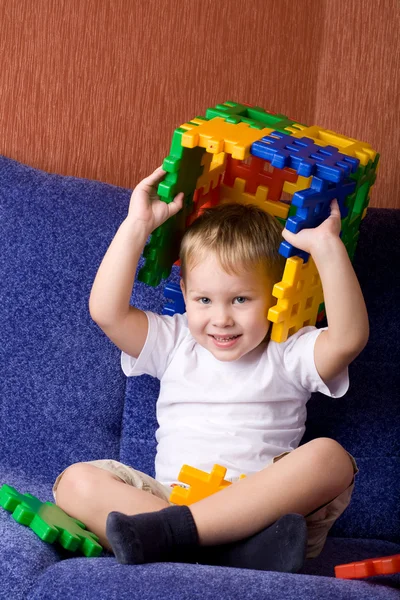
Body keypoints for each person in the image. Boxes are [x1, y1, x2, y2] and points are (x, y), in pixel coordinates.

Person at [53, 166, 368, 572]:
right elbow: (107, 313)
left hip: (262, 516)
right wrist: (137, 226)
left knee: (332, 458)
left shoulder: (287, 351)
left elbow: (348, 339)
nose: (221, 319)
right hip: (169, 500)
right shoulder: (176, 341)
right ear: (184, 293)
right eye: (204, 300)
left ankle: (182, 541)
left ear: (276, 297)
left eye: (240, 300)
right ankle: (215, 549)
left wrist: (327, 247)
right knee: (74, 481)